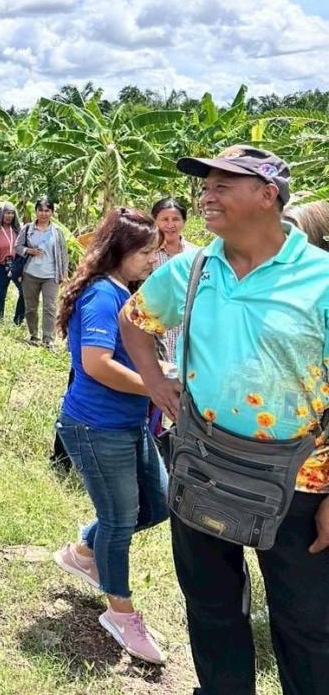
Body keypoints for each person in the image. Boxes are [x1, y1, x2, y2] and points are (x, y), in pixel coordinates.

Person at [120, 146, 329, 695]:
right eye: (204, 185)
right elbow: (134, 320)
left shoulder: (321, 279)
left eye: (223, 185)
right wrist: (156, 382)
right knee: (212, 611)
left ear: (268, 196)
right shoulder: (192, 268)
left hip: (301, 482)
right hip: (202, 464)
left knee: (307, 626)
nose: (206, 196)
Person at [52, 207, 168, 665]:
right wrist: (157, 387)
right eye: (144, 252)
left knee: (157, 503)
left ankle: (84, 550)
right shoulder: (102, 295)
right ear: (120, 252)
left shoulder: (124, 292)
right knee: (119, 520)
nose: (151, 261)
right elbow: (97, 365)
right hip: (96, 426)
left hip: (128, 423)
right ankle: (120, 612)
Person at [146, 197, 198, 439]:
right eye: (164, 219)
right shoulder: (149, 255)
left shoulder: (197, 256)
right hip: (155, 332)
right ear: (155, 221)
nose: (170, 224)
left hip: (187, 333)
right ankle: (154, 437)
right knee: (155, 389)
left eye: (175, 219)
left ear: (184, 222)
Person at [17, 198, 69, 350]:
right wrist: (29, 250)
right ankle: (33, 335)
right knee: (31, 307)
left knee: (50, 307)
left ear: (52, 212)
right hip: (30, 273)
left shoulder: (57, 232)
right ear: (36, 212)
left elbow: (63, 254)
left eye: (47, 210)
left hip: (51, 275)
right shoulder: (27, 229)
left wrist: (64, 273)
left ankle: (48, 339)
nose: (44, 214)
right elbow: (17, 247)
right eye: (41, 210)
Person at [0, 202, 25, 325]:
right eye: (7, 213)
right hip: (0, 266)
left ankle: (18, 320)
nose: (9, 216)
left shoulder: (18, 230)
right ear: (1, 214)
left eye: (12, 213)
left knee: (24, 292)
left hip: (16, 266)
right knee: (0, 295)